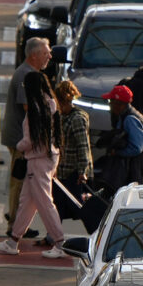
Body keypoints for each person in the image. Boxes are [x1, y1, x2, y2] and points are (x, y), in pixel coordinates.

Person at [0, 71, 67, 258]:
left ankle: (60, 242)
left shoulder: (36, 108)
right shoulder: (50, 103)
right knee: (27, 202)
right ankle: (13, 240)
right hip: (48, 156)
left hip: (37, 160)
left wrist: (19, 146)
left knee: (44, 202)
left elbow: (30, 139)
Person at [3, 37, 51, 229]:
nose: (49, 56)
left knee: (24, 183)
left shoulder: (29, 73)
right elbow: (28, 107)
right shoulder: (26, 76)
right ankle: (14, 223)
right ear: (34, 55)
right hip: (18, 139)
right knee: (18, 181)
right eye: (46, 52)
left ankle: (18, 222)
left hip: (21, 138)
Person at [98, 85, 143, 192]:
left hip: (134, 170)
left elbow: (137, 148)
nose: (110, 105)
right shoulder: (125, 116)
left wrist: (117, 152)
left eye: (111, 101)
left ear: (119, 104)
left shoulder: (130, 119)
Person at [55, 80, 93, 213]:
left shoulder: (77, 119)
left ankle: (95, 229)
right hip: (61, 171)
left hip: (73, 173)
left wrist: (83, 171)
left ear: (63, 101)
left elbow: (83, 146)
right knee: (58, 205)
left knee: (78, 208)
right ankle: (53, 233)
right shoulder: (62, 116)